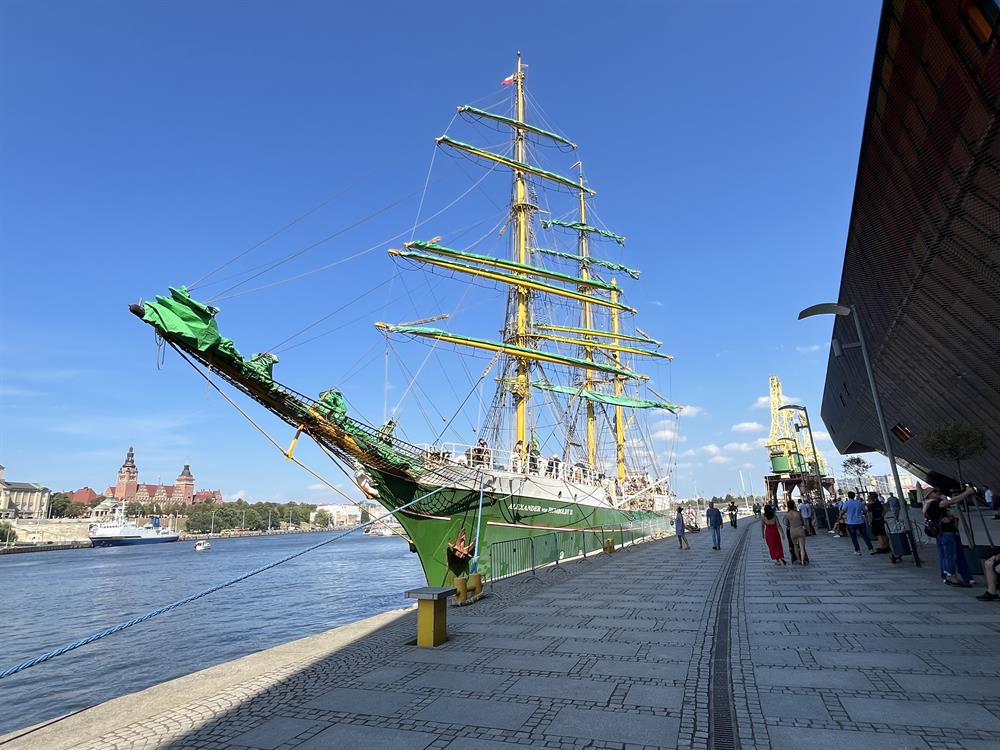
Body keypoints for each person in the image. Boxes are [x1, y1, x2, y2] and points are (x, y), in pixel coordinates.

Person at [924, 486, 976, 586]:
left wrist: (951, 519)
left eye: (937, 490)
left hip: (945, 533)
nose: (938, 492)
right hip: (946, 533)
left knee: (949, 555)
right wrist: (967, 493)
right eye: (935, 491)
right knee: (950, 556)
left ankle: (955, 576)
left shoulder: (928, 505)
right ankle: (951, 576)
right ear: (929, 495)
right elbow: (953, 500)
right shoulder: (934, 503)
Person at [841, 491, 875, 555]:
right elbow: (864, 511)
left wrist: (840, 517)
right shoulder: (859, 503)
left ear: (848, 496)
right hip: (860, 521)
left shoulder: (846, 503)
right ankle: (871, 549)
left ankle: (857, 550)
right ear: (854, 496)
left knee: (854, 537)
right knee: (865, 536)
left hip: (851, 523)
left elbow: (842, 511)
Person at [785, 499, 807, 565]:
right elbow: (803, 521)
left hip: (792, 531)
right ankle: (802, 560)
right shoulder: (798, 513)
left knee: (795, 546)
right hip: (800, 529)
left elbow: (787, 524)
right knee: (802, 547)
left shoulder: (787, 514)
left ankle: (798, 559)